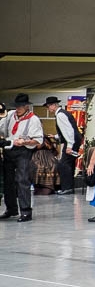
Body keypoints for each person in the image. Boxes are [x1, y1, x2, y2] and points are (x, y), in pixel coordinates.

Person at [0, 94, 43, 222]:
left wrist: (24, 142)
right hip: (9, 150)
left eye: (20, 107)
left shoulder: (33, 119)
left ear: (26, 106)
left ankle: (25, 211)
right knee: (8, 181)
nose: (17, 109)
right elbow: (2, 129)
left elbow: (38, 140)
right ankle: (11, 209)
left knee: (22, 179)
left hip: (23, 151)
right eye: (16, 106)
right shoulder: (10, 115)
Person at [45, 96, 83, 195]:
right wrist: (56, 136)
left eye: (48, 106)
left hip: (71, 142)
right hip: (74, 140)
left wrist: (69, 146)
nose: (48, 109)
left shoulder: (60, 115)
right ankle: (69, 187)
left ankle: (67, 187)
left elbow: (69, 131)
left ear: (53, 105)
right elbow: (67, 130)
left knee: (63, 164)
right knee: (69, 164)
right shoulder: (63, 113)